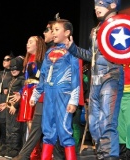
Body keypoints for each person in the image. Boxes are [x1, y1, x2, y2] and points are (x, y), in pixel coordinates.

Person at [66, 0, 124, 159]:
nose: (96, 8)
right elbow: (91, 55)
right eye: (95, 5)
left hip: (111, 77)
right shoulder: (95, 30)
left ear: (112, 5)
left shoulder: (121, 26)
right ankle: (102, 154)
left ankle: (110, 156)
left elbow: (129, 49)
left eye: (100, 4)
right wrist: (73, 48)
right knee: (93, 123)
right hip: (95, 80)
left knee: (107, 121)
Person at [30, 18, 80, 160]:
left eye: (57, 30)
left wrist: (74, 100)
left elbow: (76, 77)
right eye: (52, 30)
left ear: (67, 32)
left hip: (63, 94)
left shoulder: (72, 52)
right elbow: (43, 76)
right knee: (48, 130)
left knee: (64, 130)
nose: (53, 32)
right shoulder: (49, 52)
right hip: (49, 94)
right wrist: (35, 94)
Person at [10, 36, 46, 160]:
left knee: (33, 123)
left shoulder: (41, 60)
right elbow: (26, 81)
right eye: (27, 41)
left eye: (31, 42)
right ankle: (32, 151)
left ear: (38, 44)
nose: (27, 44)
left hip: (36, 92)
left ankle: (35, 152)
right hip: (27, 92)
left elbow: (41, 79)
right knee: (28, 123)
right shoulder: (28, 60)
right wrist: (20, 92)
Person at [0, 56, 25, 158]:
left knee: (15, 129)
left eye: (16, 68)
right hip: (9, 107)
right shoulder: (13, 79)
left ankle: (15, 149)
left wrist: (16, 106)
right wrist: (6, 104)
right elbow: (10, 95)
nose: (13, 70)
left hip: (16, 109)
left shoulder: (22, 79)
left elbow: (23, 95)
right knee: (8, 128)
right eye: (12, 68)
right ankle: (9, 147)